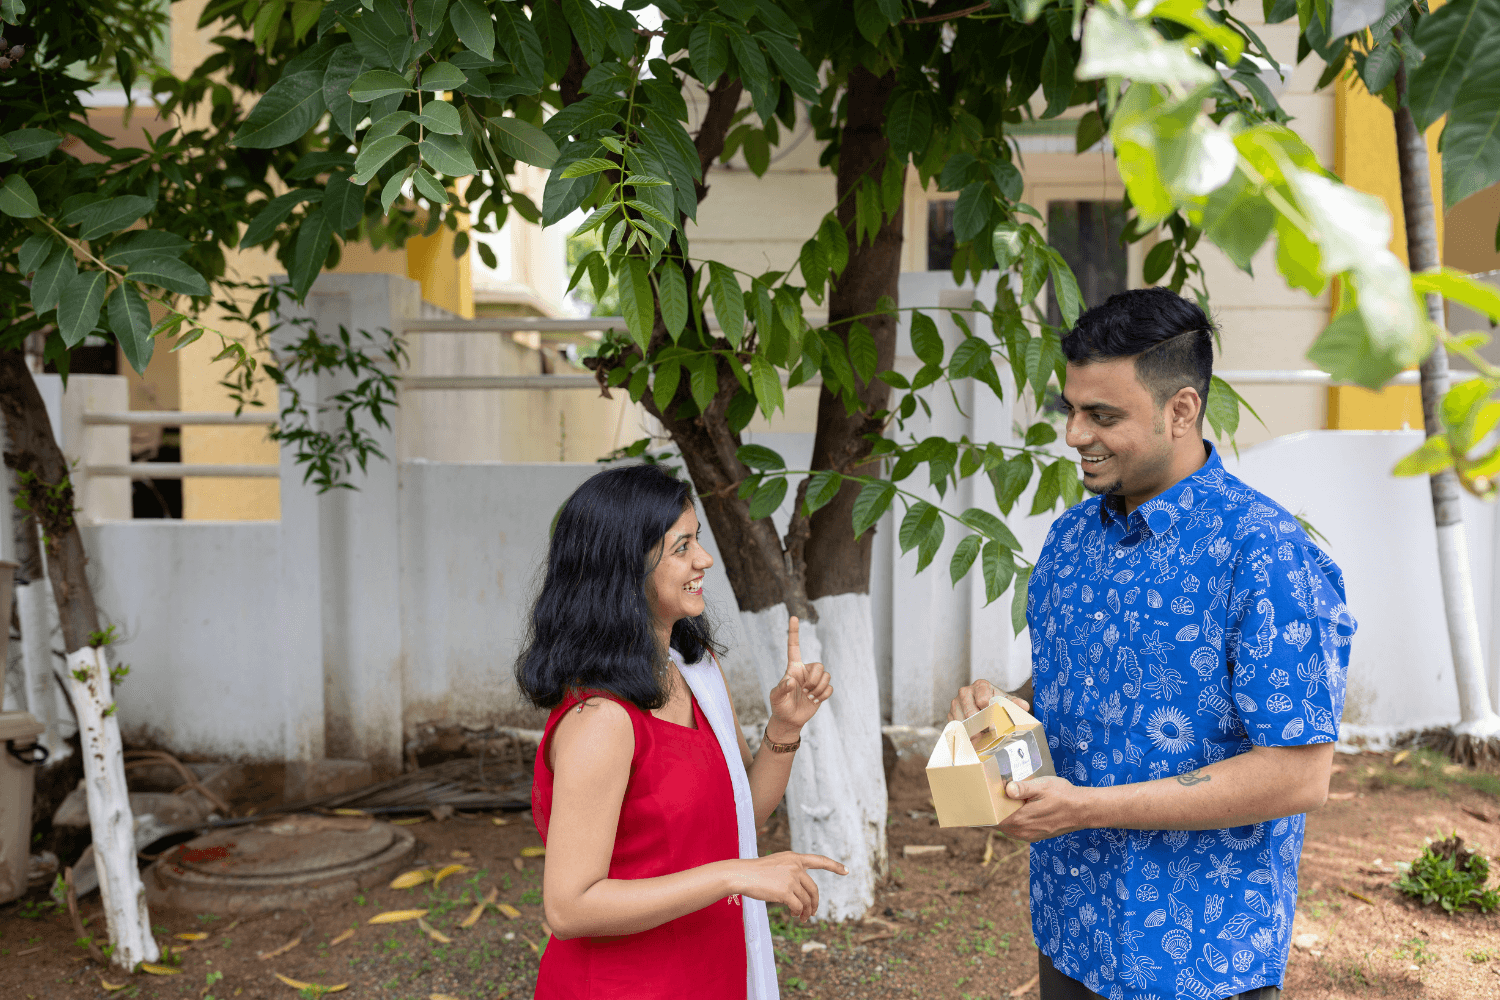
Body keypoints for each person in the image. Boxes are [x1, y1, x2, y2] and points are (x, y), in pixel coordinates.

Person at [949, 287, 1355, 1000]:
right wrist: (1000, 710)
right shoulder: (1072, 540)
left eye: (1103, 416)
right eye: (1071, 409)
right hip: (1072, 927)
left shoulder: (1264, 554)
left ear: (1182, 410)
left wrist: (1092, 806)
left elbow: (1298, 775)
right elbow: (1076, 682)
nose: (1075, 434)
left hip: (1203, 958)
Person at [518, 464, 845, 1000]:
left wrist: (785, 728)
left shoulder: (695, 669)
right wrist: (734, 876)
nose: (704, 559)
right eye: (681, 547)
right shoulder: (601, 721)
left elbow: (741, 815)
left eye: (698, 540)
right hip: (624, 985)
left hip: (710, 967)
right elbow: (569, 907)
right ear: (623, 568)